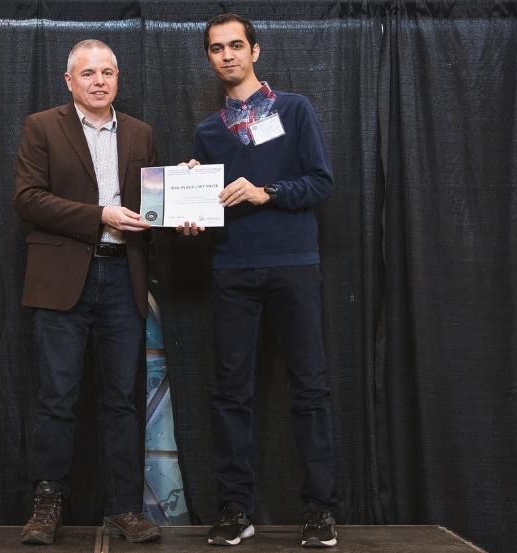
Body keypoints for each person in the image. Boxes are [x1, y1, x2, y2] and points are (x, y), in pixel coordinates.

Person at [178, 13, 338, 548]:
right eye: (216, 48)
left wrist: (266, 191)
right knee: (230, 393)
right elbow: (206, 209)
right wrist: (192, 215)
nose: (227, 55)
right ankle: (235, 508)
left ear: (255, 51)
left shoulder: (295, 110)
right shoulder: (206, 131)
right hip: (231, 269)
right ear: (209, 58)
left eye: (235, 45)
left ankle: (319, 508)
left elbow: (321, 182)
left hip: (294, 263)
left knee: (309, 387)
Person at [13, 39, 161, 546]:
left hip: (124, 278)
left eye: (108, 73)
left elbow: (153, 208)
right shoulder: (42, 127)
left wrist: (185, 200)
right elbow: (28, 200)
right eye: (89, 74)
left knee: (122, 400)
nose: (99, 81)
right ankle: (48, 504)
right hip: (61, 282)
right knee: (57, 397)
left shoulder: (141, 133)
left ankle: (124, 508)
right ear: (69, 81)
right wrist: (99, 215)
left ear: (118, 78)